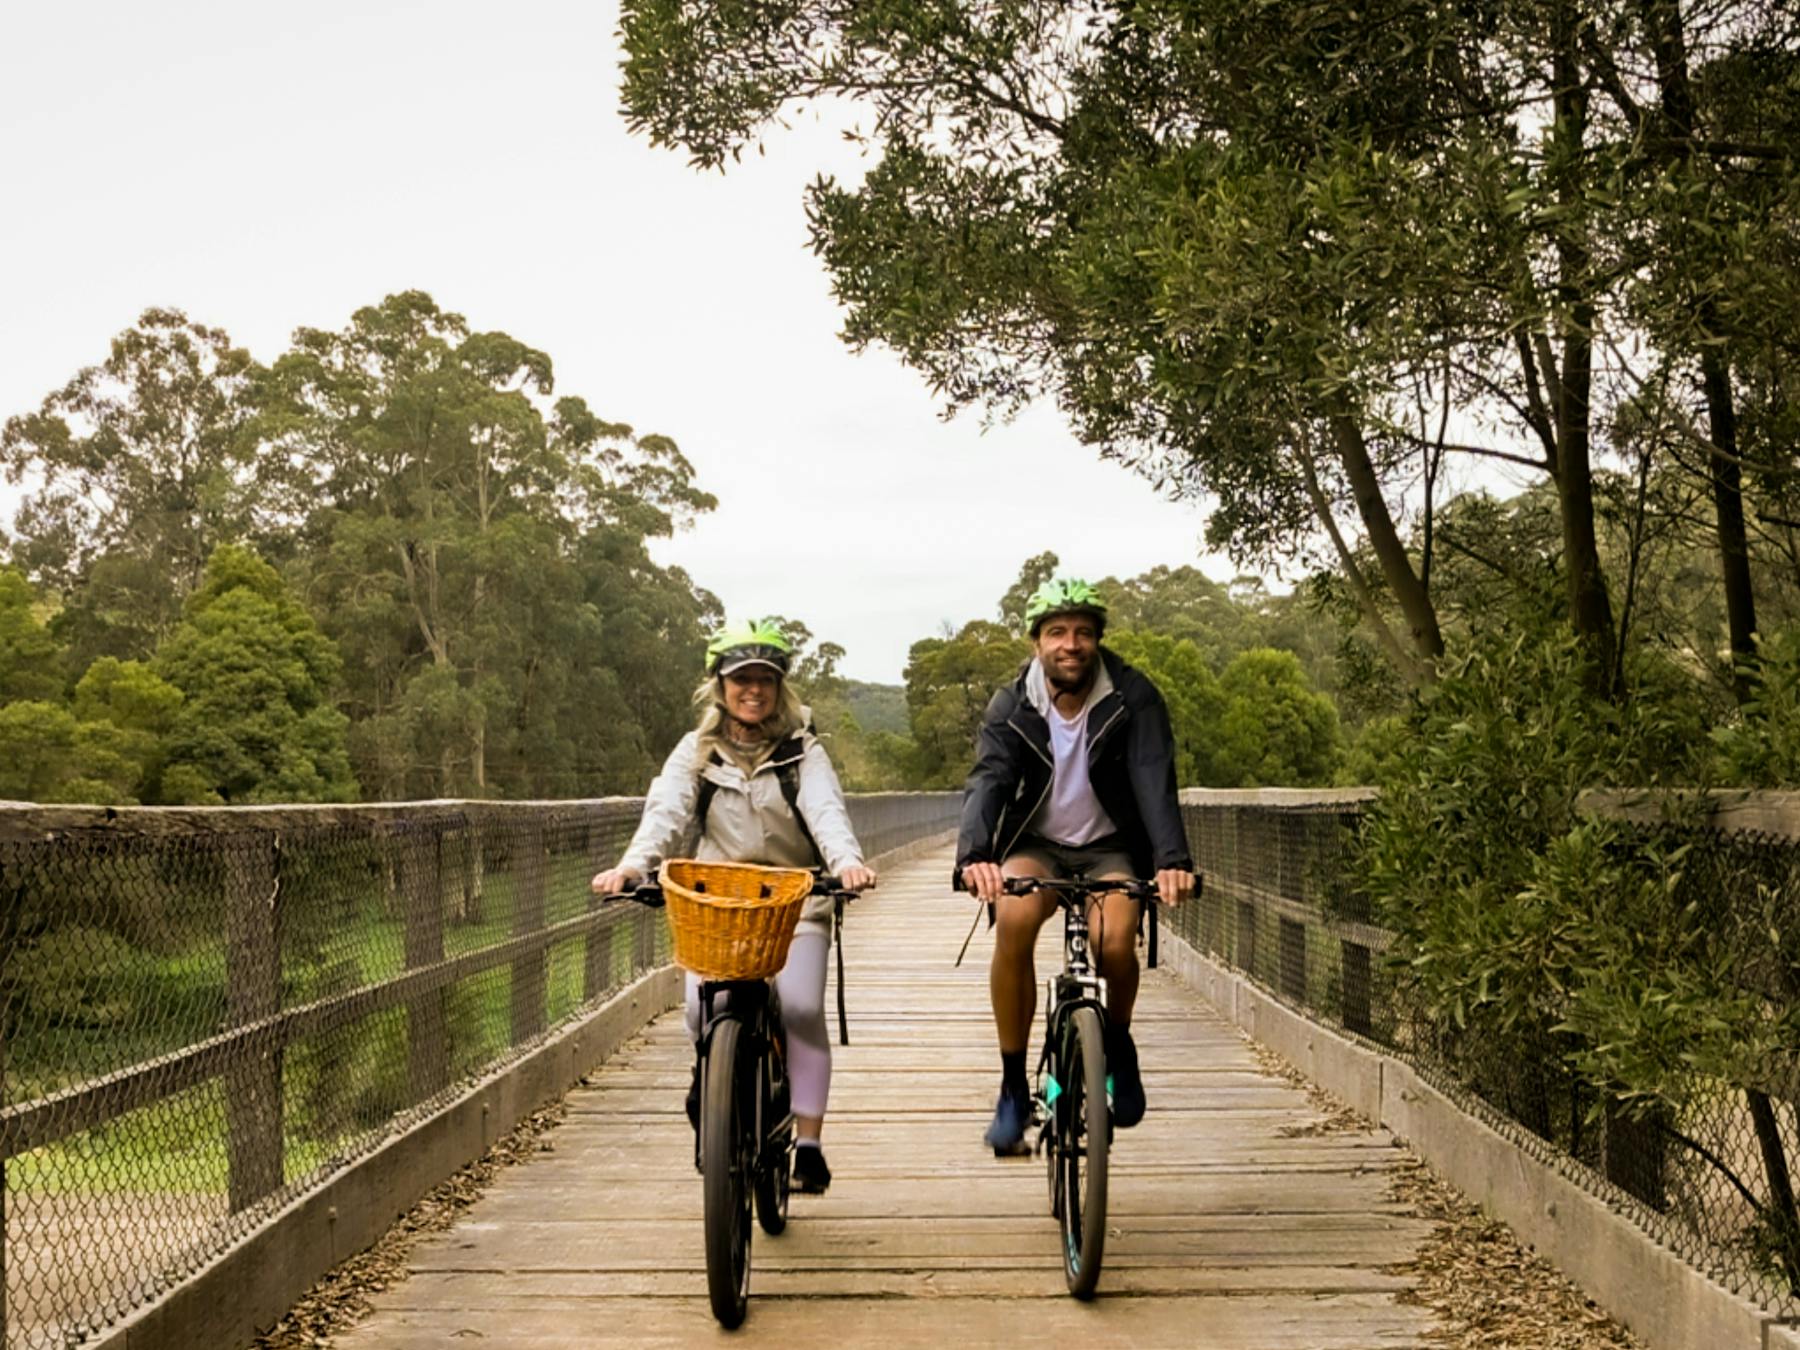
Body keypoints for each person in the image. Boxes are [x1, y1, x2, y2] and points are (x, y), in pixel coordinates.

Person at [592, 619, 876, 1193]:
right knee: (702, 1012)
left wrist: (846, 862)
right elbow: (666, 810)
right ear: (720, 686)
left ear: (780, 688)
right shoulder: (696, 752)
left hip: (795, 902)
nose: (754, 689)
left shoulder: (803, 751)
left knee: (797, 1008)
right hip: (718, 906)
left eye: (765, 679)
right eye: (741, 678)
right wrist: (631, 866)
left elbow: (825, 811)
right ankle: (716, 1083)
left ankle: (810, 1144)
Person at [955, 578, 1196, 1155]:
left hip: (1110, 846)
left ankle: (1116, 1044)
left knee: (1114, 939)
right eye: (1058, 632)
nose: (1071, 644)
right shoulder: (1013, 702)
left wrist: (1171, 861)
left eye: (1083, 633)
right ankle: (1014, 1087)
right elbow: (989, 780)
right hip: (1035, 841)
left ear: (1097, 641)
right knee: (1012, 919)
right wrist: (975, 856)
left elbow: (1152, 778)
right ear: (1037, 642)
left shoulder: (1132, 696)